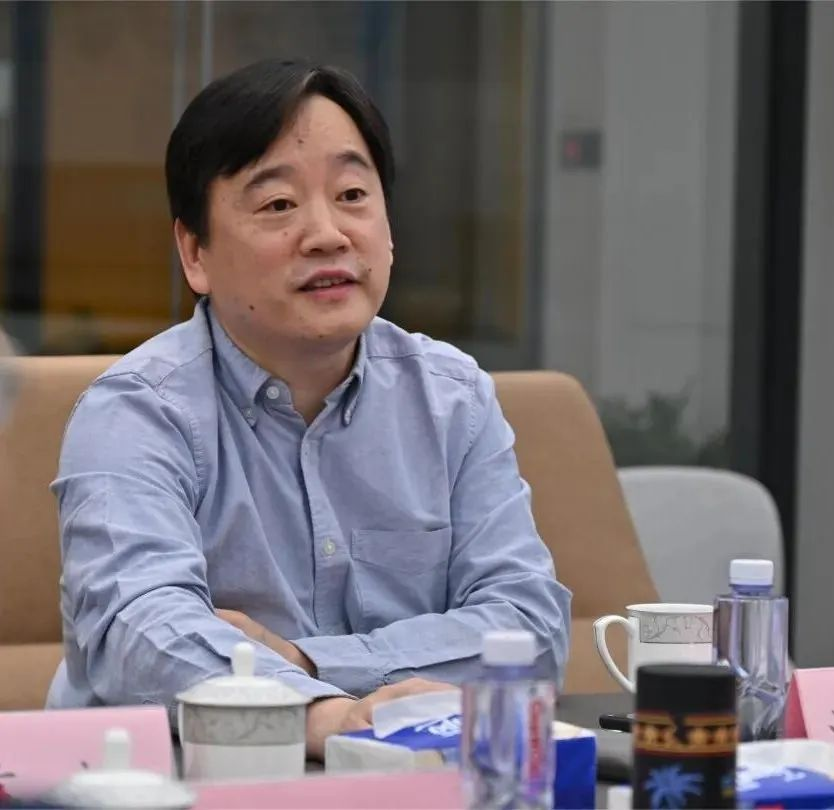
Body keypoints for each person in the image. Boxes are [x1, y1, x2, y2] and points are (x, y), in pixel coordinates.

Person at [46, 58, 571, 758]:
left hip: (409, 782)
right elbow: (138, 631)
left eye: (352, 194)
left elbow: (529, 631)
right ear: (195, 252)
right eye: (278, 205)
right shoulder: (136, 413)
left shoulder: (453, 399)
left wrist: (307, 665)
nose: (327, 234)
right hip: (176, 782)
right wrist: (323, 719)